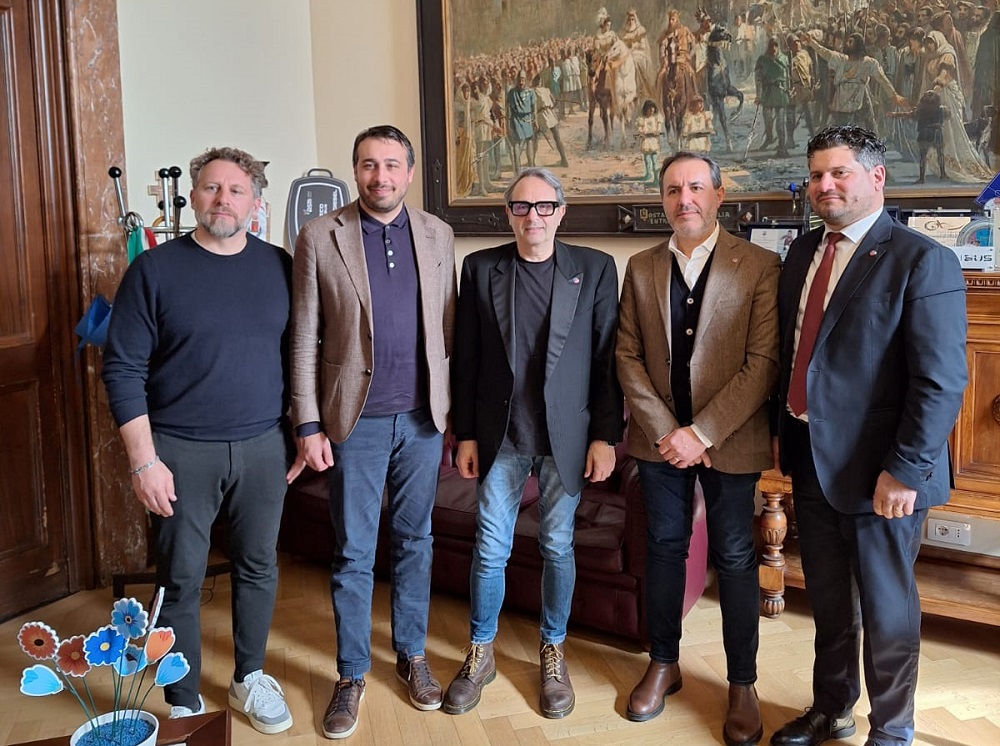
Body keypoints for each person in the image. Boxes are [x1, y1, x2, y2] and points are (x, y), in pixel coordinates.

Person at [770, 126, 967, 746]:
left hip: (884, 471)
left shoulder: (921, 259)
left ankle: (892, 729)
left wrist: (905, 470)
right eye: (816, 175)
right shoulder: (803, 253)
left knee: (886, 609)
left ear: (876, 177)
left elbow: (940, 379)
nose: (824, 186)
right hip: (811, 458)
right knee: (828, 599)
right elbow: (795, 353)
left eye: (839, 173)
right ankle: (832, 708)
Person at [102, 147, 294, 735]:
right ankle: (183, 699)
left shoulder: (280, 266)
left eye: (236, 190)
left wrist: (299, 435)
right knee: (181, 577)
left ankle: (249, 678)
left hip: (263, 445)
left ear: (255, 202)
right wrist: (144, 462)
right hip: (179, 450)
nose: (222, 200)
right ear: (192, 197)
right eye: (212, 188)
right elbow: (122, 368)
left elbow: (300, 356)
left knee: (258, 566)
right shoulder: (154, 271)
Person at [287, 125, 456, 740]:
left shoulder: (438, 234)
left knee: (416, 540)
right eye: (367, 165)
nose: (380, 176)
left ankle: (411, 654)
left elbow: (448, 328)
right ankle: (352, 673)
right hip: (352, 421)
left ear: (408, 172)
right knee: (354, 552)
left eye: (390, 165)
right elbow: (304, 336)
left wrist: (454, 416)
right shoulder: (319, 235)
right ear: (354, 171)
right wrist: (308, 423)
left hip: (423, 420)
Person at [442, 167, 623, 720]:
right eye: (522, 207)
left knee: (557, 546)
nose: (533, 217)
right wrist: (465, 433)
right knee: (489, 548)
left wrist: (605, 437)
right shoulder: (480, 268)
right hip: (501, 436)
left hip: (566, 437)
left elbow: (606, 360)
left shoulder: (595, 268)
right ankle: (481, 651)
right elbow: (466, 358)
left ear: (561, 212)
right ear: (509, 214)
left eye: (545, 206)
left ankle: (553, 649)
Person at [616, 152, 779, 746]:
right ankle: (663, 663)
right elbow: (627, 357)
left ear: (718, 194)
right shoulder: (640, 267)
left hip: (731, 440)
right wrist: (670, 433)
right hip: (659, 443)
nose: (683, 199)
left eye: (695, 188)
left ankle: (742, 684)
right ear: (662, 199)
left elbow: (763, 364)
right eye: (671, 190)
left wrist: (702, 433)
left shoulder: (759, 265)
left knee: (735, 556)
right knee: (663, 549)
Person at [754, 36, 791, 158]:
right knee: (768, 120)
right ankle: (769, 138)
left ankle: (782, 147)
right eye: (771, 46)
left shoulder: (784, 58)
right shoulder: (762, 60)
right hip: (768, 92)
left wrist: (789, 89)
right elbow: (758, 79)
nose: (773, 48)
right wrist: (758, 95)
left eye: (776, 45)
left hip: (780, 92)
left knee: (780, 123)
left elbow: (788, 76)